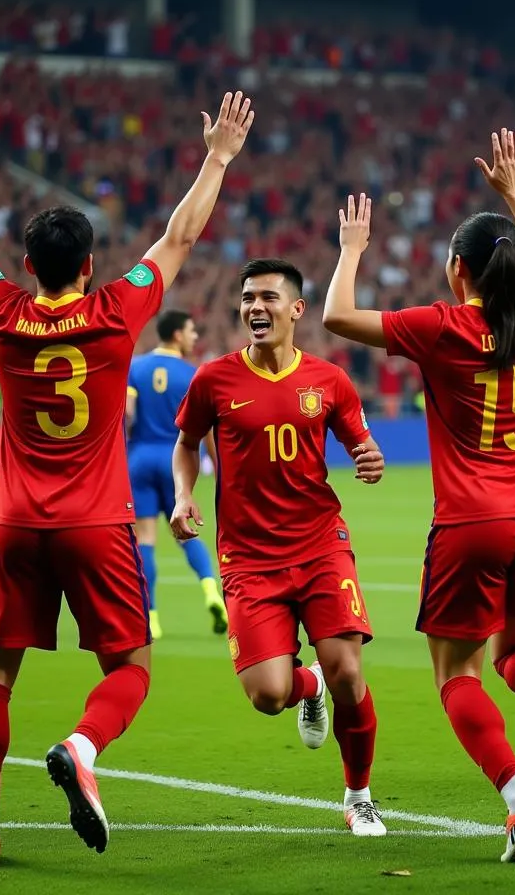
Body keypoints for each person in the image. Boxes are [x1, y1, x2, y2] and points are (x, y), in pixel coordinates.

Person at [0, 86, 253, 866]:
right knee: (131, 665)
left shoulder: (3, 313)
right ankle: (83, 745)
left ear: (29, 267)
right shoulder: (118, 311)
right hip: (96, 521)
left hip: (13, 521)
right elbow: (180, 236)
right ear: (88, 265)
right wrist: (216, 157)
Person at [321, 128, 515, 864]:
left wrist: (352, 248)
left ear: (456, 272)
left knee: (457, 673)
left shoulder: (443, 328)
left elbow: (337, 318)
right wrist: (514, 191)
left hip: (476, 522)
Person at [169, 258, 388, 837]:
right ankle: (305, 685)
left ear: (296, 309)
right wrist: (183, 493)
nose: (255, 307)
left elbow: (362, 443)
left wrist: (369, 459)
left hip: (320, 545)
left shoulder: (330, 380)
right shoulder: (214, 379)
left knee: (347, 671)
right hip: (248, 557)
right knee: (269, 696)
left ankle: (359, 796)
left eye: (268, 297)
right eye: (247, 298)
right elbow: (186, 443)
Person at [126, 309, 227, 639]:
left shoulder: (136, 367)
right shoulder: (192, 374)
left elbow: (126, 416)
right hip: (175, 460)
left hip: (139, 459)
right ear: (177, 335)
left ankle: (151, 615)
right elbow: (207, 428)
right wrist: (218, 465)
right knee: (186, 531)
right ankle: (212, 590)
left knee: (145, 539)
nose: (195, 337)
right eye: (192, 330)